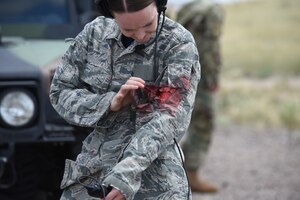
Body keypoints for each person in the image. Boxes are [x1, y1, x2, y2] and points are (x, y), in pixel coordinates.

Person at [49, 0, 200, 199]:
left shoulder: (178, 44)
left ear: (160, 6)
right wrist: (109, 103)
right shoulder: (94, 34)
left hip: (155, 178)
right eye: (128, 29)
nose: (139, 36)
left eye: (148, 25)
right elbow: (60, 91)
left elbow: (169, 117)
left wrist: (126, 173)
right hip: (94, 170)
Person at [176, 0, 225, 193]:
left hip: (181, 71)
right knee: (205, 122)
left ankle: (180, 173)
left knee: (182, 122)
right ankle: (191, 173)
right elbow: (210, 46)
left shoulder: (188, 8)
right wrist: (212, 77)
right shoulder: (213, 10)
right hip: (201, 76)